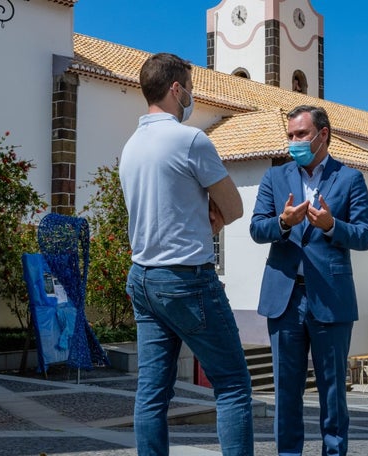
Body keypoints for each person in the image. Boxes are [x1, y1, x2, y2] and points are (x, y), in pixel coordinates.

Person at [119, 52, 253, 456]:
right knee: (232, 386)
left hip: (143, 276)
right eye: (190, 89)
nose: (191, 96)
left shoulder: (130, 147)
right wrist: (210, 216)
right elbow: (233, 208)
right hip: (187, 278)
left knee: (152, 393)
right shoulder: (191, 139)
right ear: (175, 89)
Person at [250, 105, 368, 455]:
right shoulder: (274, 178)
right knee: (285, 393)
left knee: (333, 395)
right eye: (290, 136)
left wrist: (332, 226)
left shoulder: (350, 179)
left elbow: (365, 236)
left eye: (301, 135)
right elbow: (257, 228)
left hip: (330, 300)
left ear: (323, 134)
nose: (294, 142)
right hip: (284, 299)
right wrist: (284, 222)